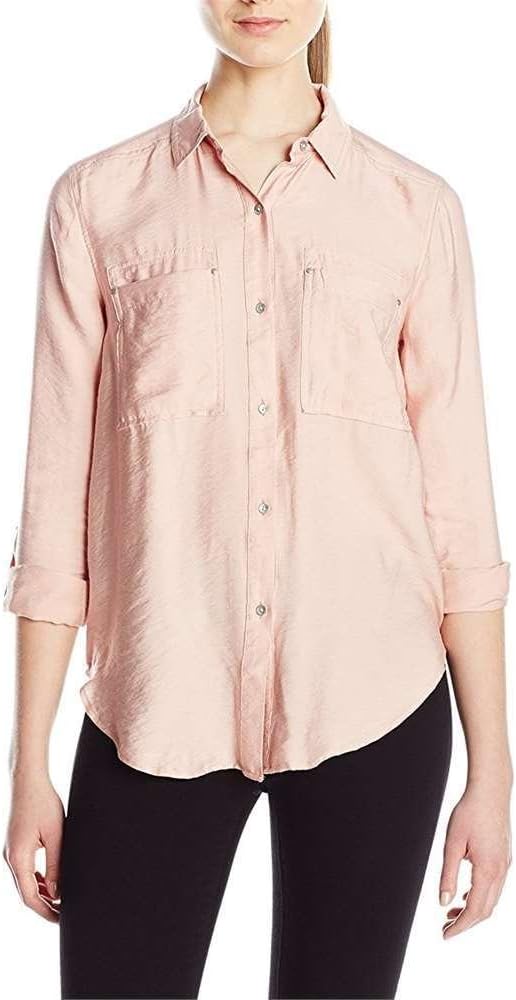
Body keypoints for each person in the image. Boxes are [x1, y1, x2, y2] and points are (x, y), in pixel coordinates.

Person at [2, 2, 512, 998]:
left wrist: (491, 771)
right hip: (158, 700)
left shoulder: (414, 210)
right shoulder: (98, 203)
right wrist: (28, 765)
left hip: (372, 699)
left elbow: (461, 513)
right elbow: (54, 507)